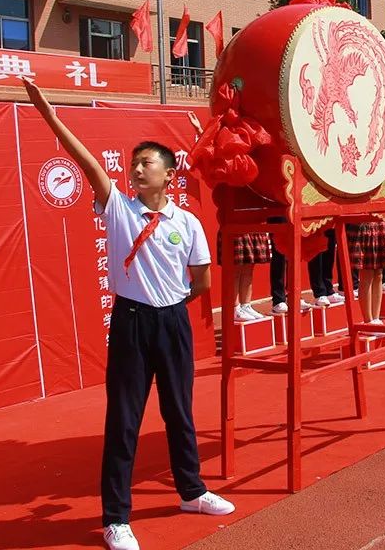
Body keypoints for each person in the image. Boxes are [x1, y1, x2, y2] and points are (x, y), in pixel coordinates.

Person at [21, 80, 234, 550]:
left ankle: (192, 491)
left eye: (147, 163)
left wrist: (173, 304)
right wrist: (51, 115)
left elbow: (201, 281)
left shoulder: (188, 222)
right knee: (124, 419)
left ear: (168, 174)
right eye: (134, 163)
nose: (137, 169)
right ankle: (116, 518)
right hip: (132, 324)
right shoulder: (118, 209)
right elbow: (89, 164)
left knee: (180, 411)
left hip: (172, 322)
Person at [187, 112, 268, 323]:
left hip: (253, 219)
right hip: (234, 221)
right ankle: (233, 307)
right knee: (236, 270)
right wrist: (199, 130)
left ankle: (246, 305)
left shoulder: (254, 158)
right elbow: (211, 149)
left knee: (249, 268)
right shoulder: (226, 161)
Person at [345, 220, 385, 333]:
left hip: (379, 224)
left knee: (379, 274)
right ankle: (368, 320)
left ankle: (376, 318)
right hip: (362, 224)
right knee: (367, 275)